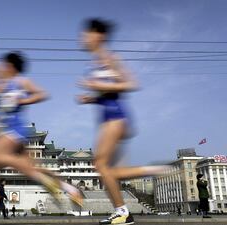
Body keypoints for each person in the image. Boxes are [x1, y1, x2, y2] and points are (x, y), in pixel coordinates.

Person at [77, 18, 170, 225]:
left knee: (100, 164)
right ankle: (153, 171)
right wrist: (90, 98)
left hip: (116, 117)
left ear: (98, 36)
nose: (82, 38)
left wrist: (96, 83)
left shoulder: (110, 58)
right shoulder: (95, 62)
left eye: (86, 34)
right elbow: (107, 91)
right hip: (110, 118)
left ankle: (123, 212)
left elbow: (131, 83)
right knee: (110, 172)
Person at [0, 52, 83, 217]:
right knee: (22, 168)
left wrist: (21, 100)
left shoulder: (20, 81)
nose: (0, 68)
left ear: (11, 67)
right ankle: (70, 189)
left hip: (15, 130)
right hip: (10, 130)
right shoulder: (2, 84)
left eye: (2, 65)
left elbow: (42, 94)